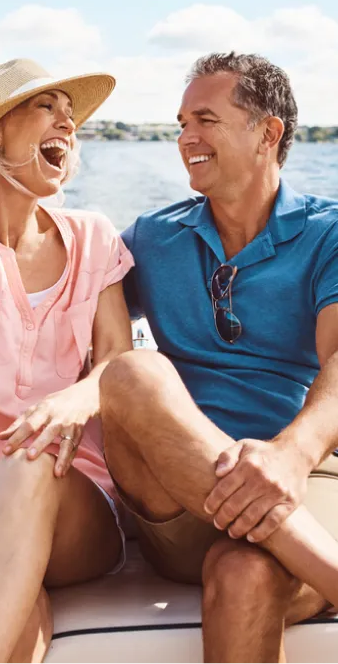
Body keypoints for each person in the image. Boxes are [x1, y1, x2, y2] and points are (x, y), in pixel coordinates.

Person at [100, 52, 338, 664]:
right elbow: (65, 306)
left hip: (303, 481)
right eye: (181, 122)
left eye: (204, 119)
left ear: (269, 132)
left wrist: (289, 456)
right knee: (131, 371)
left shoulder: (327, 233)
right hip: (178, 506)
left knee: (245, 576)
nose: (185, 139)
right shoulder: (152, 237)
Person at [0, 58, 134, 664]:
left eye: (72, 116)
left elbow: (117, 357)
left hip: (69, 487)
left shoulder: (94, 236)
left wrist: (76, 397)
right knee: (14, 607)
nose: (67, 122)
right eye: (46, 107)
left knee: (30, 464)